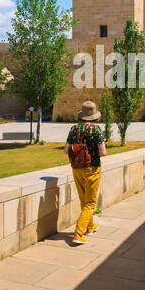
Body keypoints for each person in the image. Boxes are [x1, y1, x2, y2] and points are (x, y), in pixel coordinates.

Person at [64, 101, 106, 244]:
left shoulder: (73, 129)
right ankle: (78, 233)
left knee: (84, 200)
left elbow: (66, 151)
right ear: (94, 116)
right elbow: (103, 152)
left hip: (76, 168)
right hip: (92, 168)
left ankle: (90, 226)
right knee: (90, 202)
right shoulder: (96, 130)